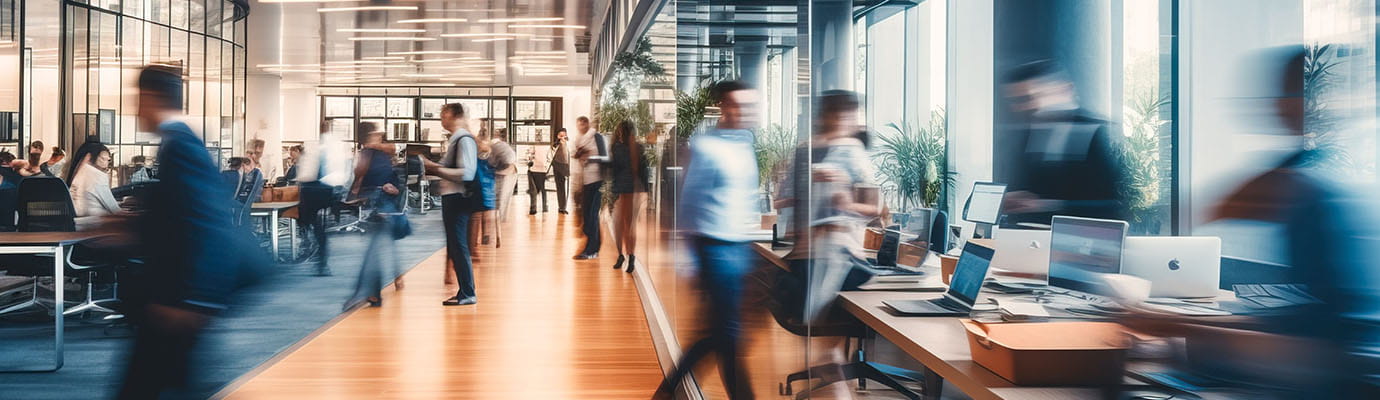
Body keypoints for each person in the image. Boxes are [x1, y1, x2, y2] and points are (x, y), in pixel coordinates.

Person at [118, 64, 242, 400]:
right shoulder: (179, 143)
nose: (135, 110)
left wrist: (195, 299)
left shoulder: (180, 146)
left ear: (149, 98)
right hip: (176, 296)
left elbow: (205, 221)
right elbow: (181, 216)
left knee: (143, 387)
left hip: (180, 299)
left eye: (137, 100)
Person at [654, 81, 760, 400]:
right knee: (726, 335)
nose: (747, 112)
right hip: (715, 249)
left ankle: (666, 392)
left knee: (719, 335)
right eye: (739, 105)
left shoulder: (746, 143)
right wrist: (687, 261)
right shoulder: (705, 146)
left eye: (751, 106)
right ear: (725, 108)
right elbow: (689, 204)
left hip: (740, 248)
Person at [1000, 59, 1125, 225]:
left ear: (1062, 90)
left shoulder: (1099, 131)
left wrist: (1046, 205)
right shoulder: (1028, 135)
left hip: (1085, 240)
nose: (1021, 108)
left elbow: (1113, 205)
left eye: (1028, 98)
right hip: (1030, 240)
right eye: (1016, 101)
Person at [424, 103, 480, 306]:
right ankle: (464, 290)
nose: (441, 118)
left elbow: (467, 173)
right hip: (453, 198)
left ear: (453, 115)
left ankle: (468, 292)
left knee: (459, 246)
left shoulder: (463, 139)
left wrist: (435, 169)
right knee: (455, 247)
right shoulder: (457, 139)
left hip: (458, 198)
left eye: (443, 114)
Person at [346, 130, 405, 309]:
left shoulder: (379, 154)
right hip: (381, 203)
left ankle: (369, 293)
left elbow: (360, 174)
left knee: (376, 248)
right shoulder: (379, 155)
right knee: (380, 246)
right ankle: (377, 290)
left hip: (381, 204)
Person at [297, 121, 353, 276]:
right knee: (317, 227)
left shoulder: (323, 147)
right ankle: (319, 256)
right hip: (321, 189)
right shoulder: (329, 147)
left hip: (317, 190)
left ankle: (316, 254)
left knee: (315, 225)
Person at [608, 120, 648, 273]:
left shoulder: (617, 148)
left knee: (620, 225)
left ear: (620, 132)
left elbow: (613, 170)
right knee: (629, 225)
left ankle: (623, 255)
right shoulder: (638, 147)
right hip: (635, 189)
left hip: (623, 190)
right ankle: (630, 256)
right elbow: (643, 170)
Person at [571, 116, 608, 260]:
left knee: (592, 216)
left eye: (584, 124)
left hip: (597, 181)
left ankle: (592, 250)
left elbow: (604, 158)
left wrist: (589, 158)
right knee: (587, 217)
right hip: (585, 181)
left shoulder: (596, 137)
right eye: (579, 125)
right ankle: (593, 247)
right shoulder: (579, 140)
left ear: (588, 124)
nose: (581, 127)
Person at [67, 142, 123, 217]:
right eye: (103, 158)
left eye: (108, 160)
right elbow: (114, 209)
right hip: (94, 222)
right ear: (90, 157)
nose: (106, 163)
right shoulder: (97, 175)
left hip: (78, 220)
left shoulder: (79, 173)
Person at [527, 129, 553, 215]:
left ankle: (533, 209)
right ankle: (545, 207)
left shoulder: (534, 145)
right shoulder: (547, 146)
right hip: (542, 170)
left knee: (533, 191)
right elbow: (549, 158)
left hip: (534, 169)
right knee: (543, 190)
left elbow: (529, 156)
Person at [551, 128, 571, 214]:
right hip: (557, 166)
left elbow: (568, 155)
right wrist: (560, 142)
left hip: (565, 167)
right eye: (560, 135)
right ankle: (562, 207)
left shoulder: (568, 143)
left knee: (564, 188)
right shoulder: (555, 145)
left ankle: (563, 206)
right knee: (560, 188)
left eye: (564, 135)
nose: (563, 137)